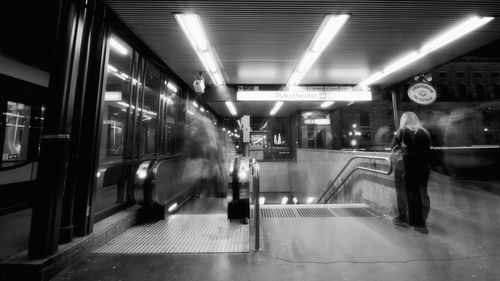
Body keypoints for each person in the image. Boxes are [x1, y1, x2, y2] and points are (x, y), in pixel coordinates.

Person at [390, 111, 431, 233]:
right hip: (422, 168)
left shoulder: (401, 132)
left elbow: (392, 146)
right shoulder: (425, 132)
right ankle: (421, 220)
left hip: (405, 167)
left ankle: (403, 217)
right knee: (422, 192)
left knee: (403, 192)